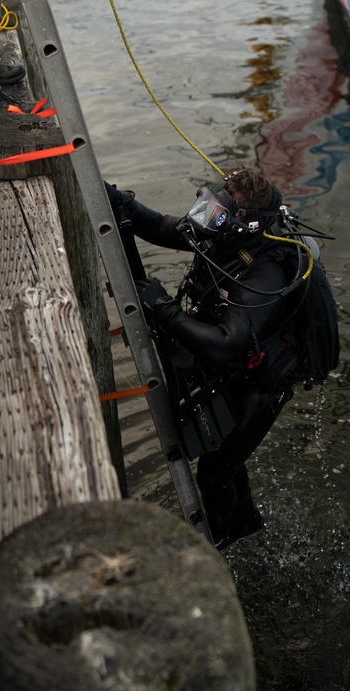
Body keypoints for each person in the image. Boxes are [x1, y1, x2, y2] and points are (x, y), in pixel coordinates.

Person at [110, 166, 321, 548]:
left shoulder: (265, 273)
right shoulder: (219, 231)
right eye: (211, 202)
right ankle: (245, 523)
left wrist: (163, 309)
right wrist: (122, 202)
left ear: (244, 222)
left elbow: (225, 341)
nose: (207, 213)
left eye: (219, 209)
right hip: (231, 372)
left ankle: (219, 542)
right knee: (222, 458)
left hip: (260, 388)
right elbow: (161, 227)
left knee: (214, 471)